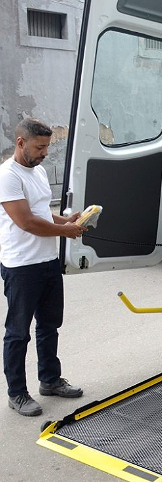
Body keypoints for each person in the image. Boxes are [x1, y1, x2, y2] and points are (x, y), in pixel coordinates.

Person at [0, 118, 86, 416]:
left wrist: (69, 221)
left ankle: (50, 380)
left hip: (47, 262)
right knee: (18, 332)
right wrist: (65, 232)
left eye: (47, 147)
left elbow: (41, 213)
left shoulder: (36, 171)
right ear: (21, 142)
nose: (45, 153)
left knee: (50, 326)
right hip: (21, 267)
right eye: (40, 147)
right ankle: (17, 394)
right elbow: (25, 221)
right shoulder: (8, 175)